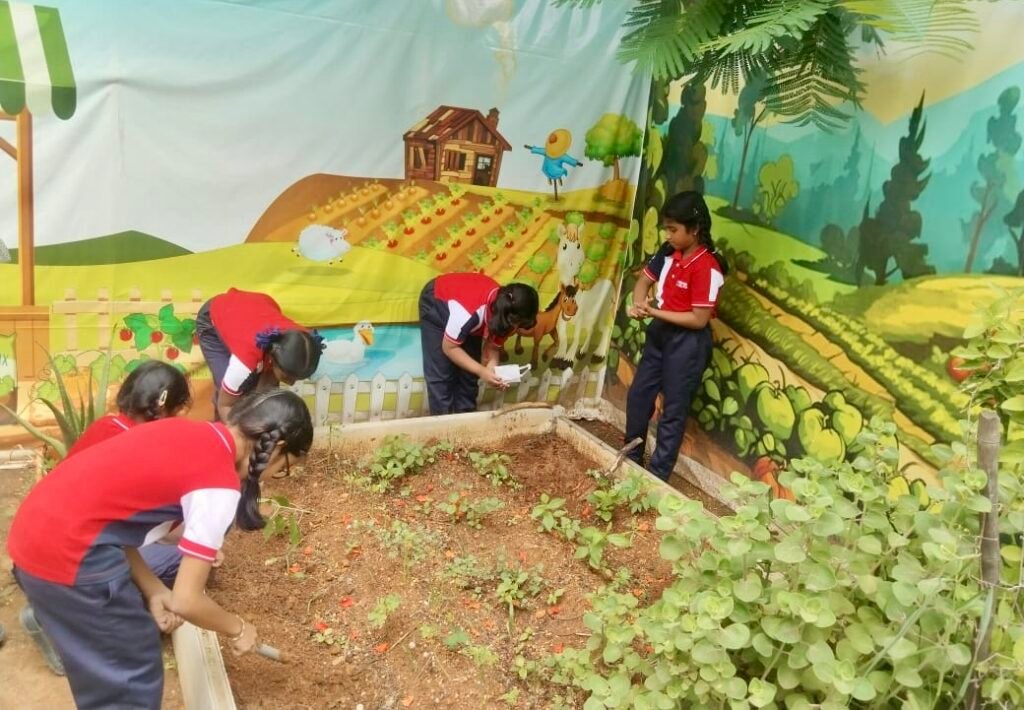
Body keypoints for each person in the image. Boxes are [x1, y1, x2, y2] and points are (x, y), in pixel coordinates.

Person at [7, 389, 314, 710]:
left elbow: (109, 520)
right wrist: (237, 629)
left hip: (34, 535)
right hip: (68, 554)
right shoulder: (219, 486)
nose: (274, 476)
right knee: (129, 673)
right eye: (283, 468)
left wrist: (153, 589)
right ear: (276, 449)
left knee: (114, 657)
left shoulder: (188, 429)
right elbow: (186, 600)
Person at [21, 360, 194, 677]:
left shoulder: (106, 426)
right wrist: (201, 541)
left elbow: (109, 526)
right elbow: (134, 535)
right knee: (180, 562)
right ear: (179, 410)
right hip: (72, 563)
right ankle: (65, 629)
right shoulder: (150, 455)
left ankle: (53, 612)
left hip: (30, 553)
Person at [624, 191, 727, 481]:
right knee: (639, 396)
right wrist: (638, 304)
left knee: (673, 410)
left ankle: (656, 478)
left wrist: (654, 312)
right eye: (666, 229)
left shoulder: (707, 266)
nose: (668, 235)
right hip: (661, 335)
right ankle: (631, 458)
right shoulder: (668, 252)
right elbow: (644, 282)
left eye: (673, 229)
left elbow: (698, 319)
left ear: (694, 230)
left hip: (688, 343)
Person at [195, 287, 324, 421]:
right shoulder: (246, 358)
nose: (291, 384)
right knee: (234, 388)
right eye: (288, 376)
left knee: (266, 394)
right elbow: (225, 405)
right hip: (214, 316)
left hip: (255, 309)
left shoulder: (305, 341)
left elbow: (265, 389)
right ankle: (219, 436)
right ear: (273, 358)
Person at [419, 273, 538, 415]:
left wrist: (492, 365)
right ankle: (444, 431)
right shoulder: (469, 314)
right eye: (517, 325)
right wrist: (482, 371)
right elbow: (449, 347)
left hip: (471, 312)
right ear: (510, 319)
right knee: (442, 377)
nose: (516, 330)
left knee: (469, 377)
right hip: (437, 301)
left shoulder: (508, 312)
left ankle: (467, 426)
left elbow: (493, 346)